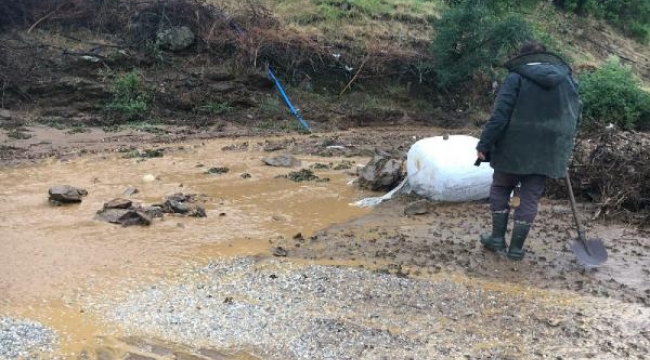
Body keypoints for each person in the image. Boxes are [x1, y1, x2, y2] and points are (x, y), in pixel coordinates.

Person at [476, 41, 581, 261]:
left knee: (501, 188)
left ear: (523, 58)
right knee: (530, 197)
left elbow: (500, 115)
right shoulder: (568, 81)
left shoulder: (516, 77)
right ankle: (516, 249)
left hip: (512, 147)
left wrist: (484, 145)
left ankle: (497, 239)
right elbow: (574, 117)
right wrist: (562, 147)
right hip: (547, 150)